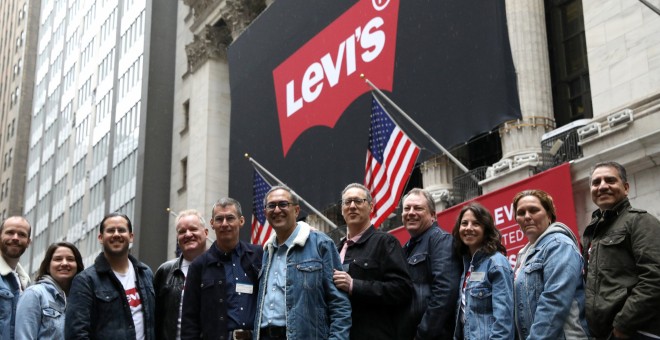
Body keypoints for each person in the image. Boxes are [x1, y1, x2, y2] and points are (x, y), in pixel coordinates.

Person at [254, 185, 351, 339]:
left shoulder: (322, 244)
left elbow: (339, 305)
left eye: (283, 204)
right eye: (271, 206)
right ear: (265, 213)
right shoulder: (266, 252)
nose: (277, 210)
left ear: (296, 210)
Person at [582, 161, 660, 339]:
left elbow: (655, 277)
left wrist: (623, 325)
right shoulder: (592, 232)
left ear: (625, 188)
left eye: (610, 180)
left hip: (637, 331)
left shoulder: (640, 221)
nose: (602, 186)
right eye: (596, 182)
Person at [333, 183, 412, 339]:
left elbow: (402, 289)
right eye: (347, 202)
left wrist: (354, 285)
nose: (352, 206)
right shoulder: (335, 249)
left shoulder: (386, 242)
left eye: (358, 201)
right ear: (342, 210)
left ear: (371, 207)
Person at [181, 199, 262, 340]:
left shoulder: (258, 256)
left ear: (241, 221)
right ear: (212, 224)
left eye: (230, 218)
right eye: (219, 219)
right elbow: (189, 321)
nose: (225, 224)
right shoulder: (199, 266)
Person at [512, 189, 589, 339]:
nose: (527, 216)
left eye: (533, 210)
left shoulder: (559, 244)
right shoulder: (524, 255)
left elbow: (554, 302)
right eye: (521, 212)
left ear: (549, 215)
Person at [65, 212, 155, 339]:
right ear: (101, 238)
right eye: (111, 230)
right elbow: (76, 333)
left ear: (131, 237)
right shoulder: (85, 281)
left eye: (121, 230)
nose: (116, 234)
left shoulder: (146, 273)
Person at [399, 188, 462, 339]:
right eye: (407, 208)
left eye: (418, 208)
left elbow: (444, 292)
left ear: (433, 215)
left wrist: (422, 334)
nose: (411, 212)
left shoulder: (441, 240)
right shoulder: (405, 249)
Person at [451, 203, 514, 340]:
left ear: (486, 229)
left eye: (476, 223)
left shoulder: (496, 263)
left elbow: (503, 322)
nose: (469, 228)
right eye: (464, 223)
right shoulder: (465, 266)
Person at [154, 209, 208, 340]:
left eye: (193, 229)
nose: (188, 234)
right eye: (182, 231)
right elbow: (155, 318)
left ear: (206, 233)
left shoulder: (221, 268)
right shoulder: (165, 271)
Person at [15, 242, 84, 339]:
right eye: (58, 259)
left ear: (78, 266)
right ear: (48, 266)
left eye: (70, 259)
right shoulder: (34, 294)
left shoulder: (82, 300)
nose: (64, 263)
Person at [0, 216, 32, 340]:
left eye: (22, 235)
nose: (15, 238)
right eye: (10, 232)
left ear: (28, 242)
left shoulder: (26, 282)